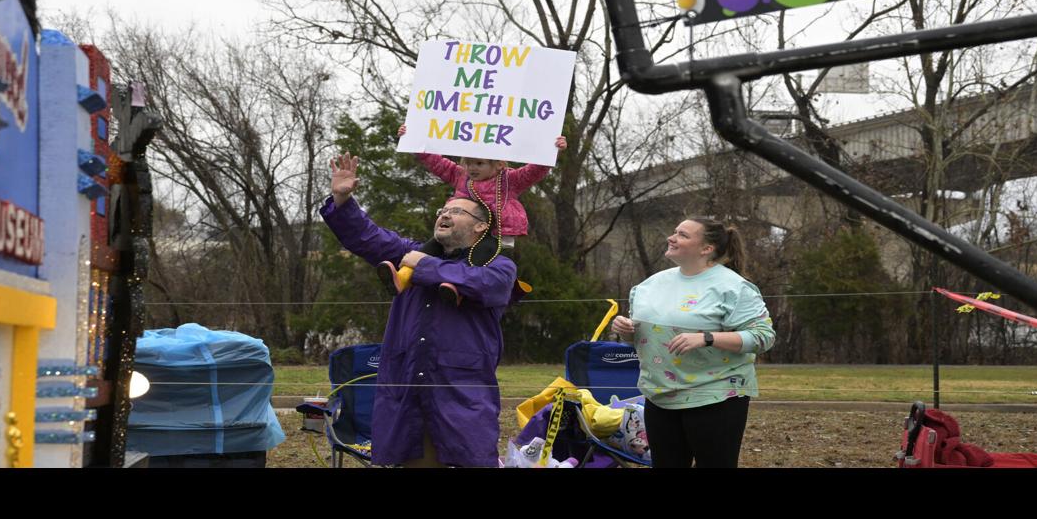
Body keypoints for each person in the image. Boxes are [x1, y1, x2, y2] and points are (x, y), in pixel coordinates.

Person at [320, 152, 522, 467]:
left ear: (481, 226)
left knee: (469, 458)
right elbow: (367, 237)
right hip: (408, 390)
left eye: (457, 210)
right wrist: (343, 201)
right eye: (443, 210)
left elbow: (483, 284)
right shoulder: (409, 254)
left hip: (461, 395)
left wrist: (424, 266)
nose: (445, 214)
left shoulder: (499, 265)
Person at [610, 217, 774, 468]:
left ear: (706, 248)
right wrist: (626, 331)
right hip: (659, 395)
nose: (671, 237)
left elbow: (763, 337)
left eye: (683, 235)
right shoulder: (649, 285)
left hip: (715, 396)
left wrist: (707, 338)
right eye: (674, 231)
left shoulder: (734, 287)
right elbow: (645, 340)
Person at [382, 124, 566, 295]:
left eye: (479, 163)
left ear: (498, 164)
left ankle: (458, 291)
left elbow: (533, 172)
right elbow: (436, 162)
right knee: (428, 248)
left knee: (479, 259)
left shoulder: (509, 180)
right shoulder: (460, 176)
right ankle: (402, 278)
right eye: (468, 163)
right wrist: (413, 140)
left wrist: (551, 151)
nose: (472, 168)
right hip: (464, 230)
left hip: (495, 234)